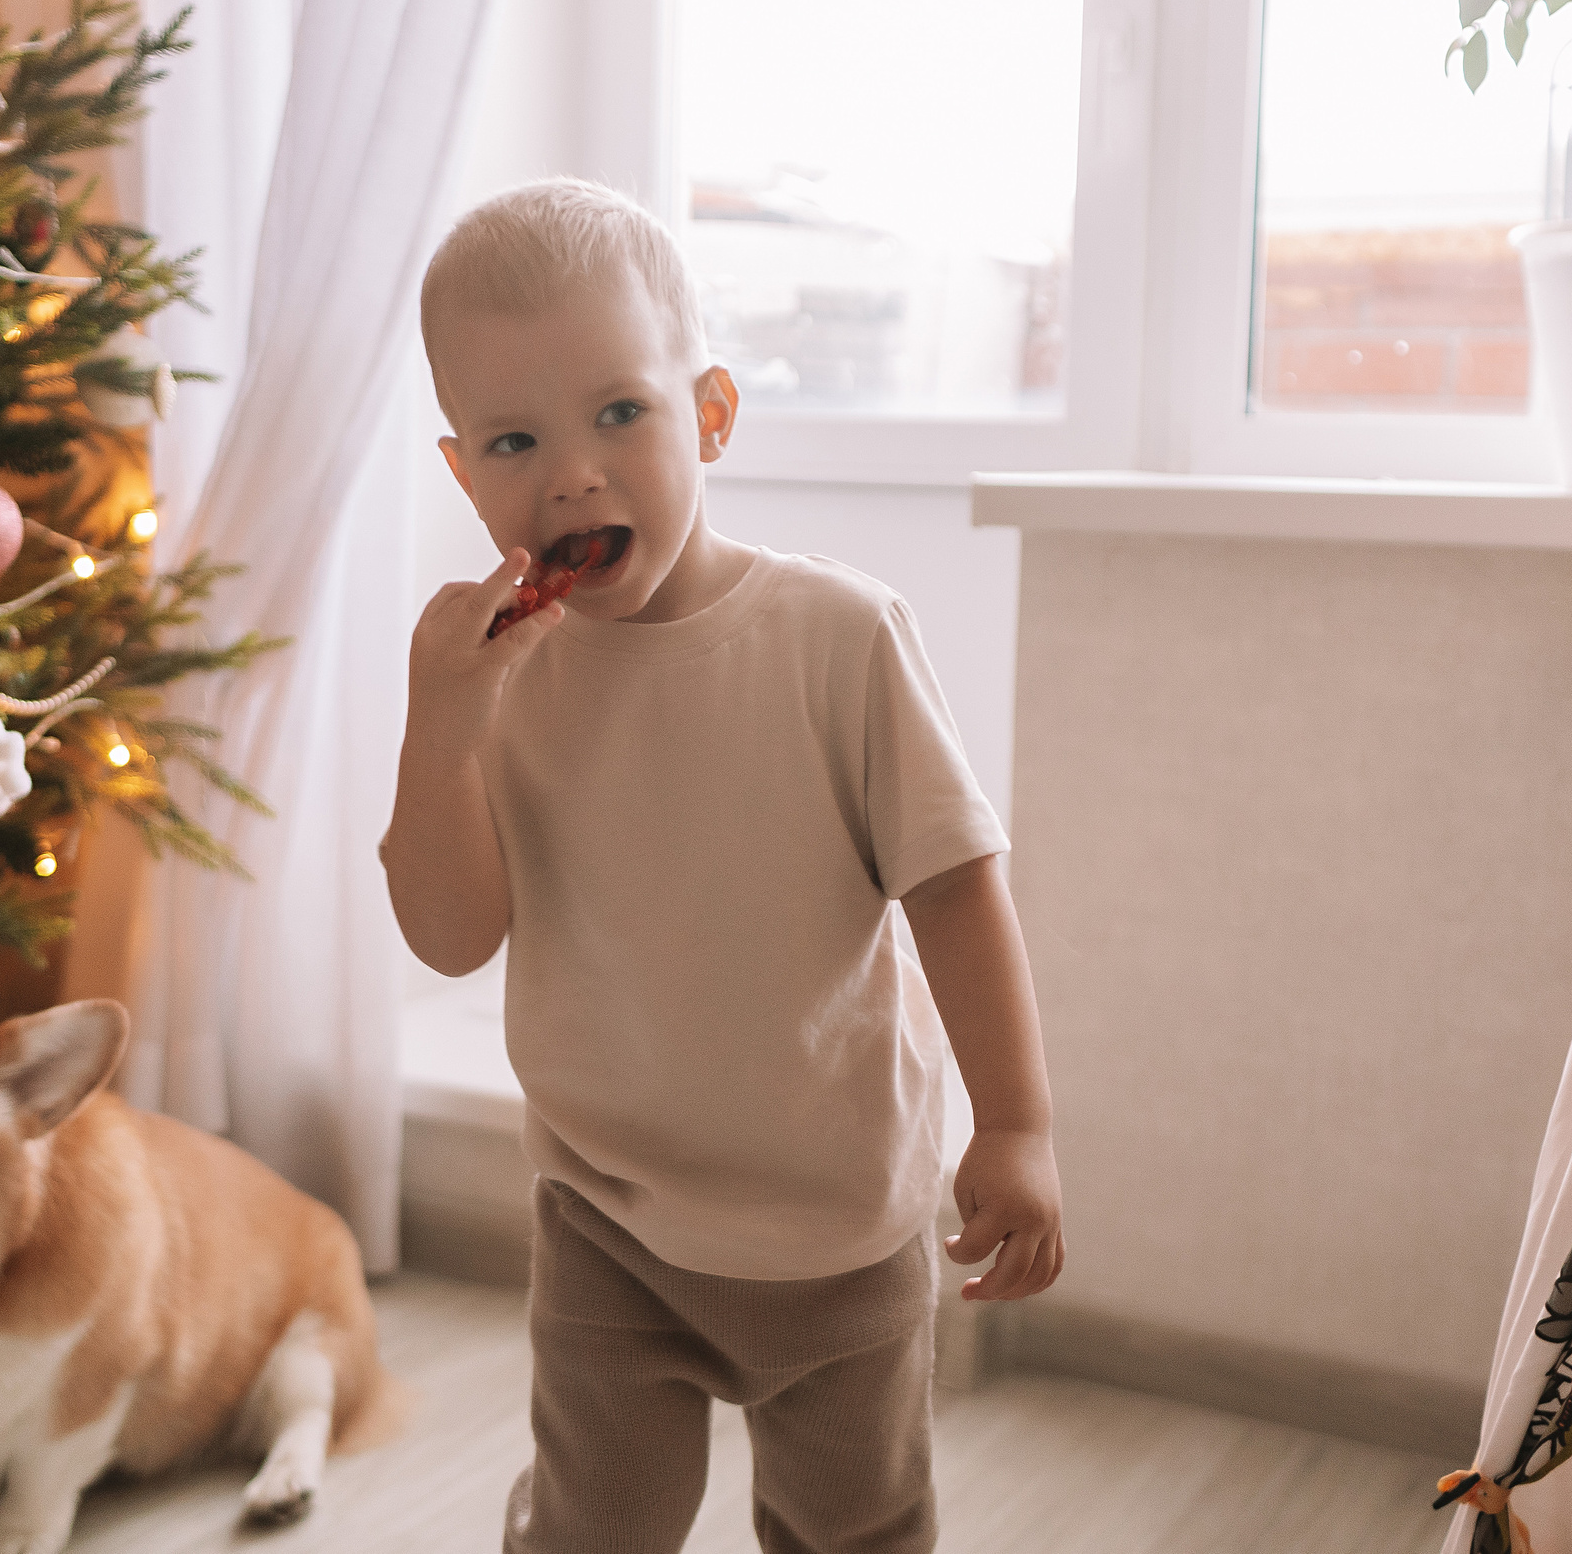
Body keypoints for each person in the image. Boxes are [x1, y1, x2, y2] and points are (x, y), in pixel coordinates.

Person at [383, 178, 1063, 1554]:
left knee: (853, 1526)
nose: (573, 471)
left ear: (710, 415)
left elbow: (954, 888)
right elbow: (451, 938)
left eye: (620, 414)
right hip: (607, 1219)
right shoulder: (496, 677)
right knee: (594, 1528)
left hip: (840, 1221)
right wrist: (437, 728)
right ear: (464, 474)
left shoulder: (839, 638)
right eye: (517, 440)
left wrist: (1016, 1124)